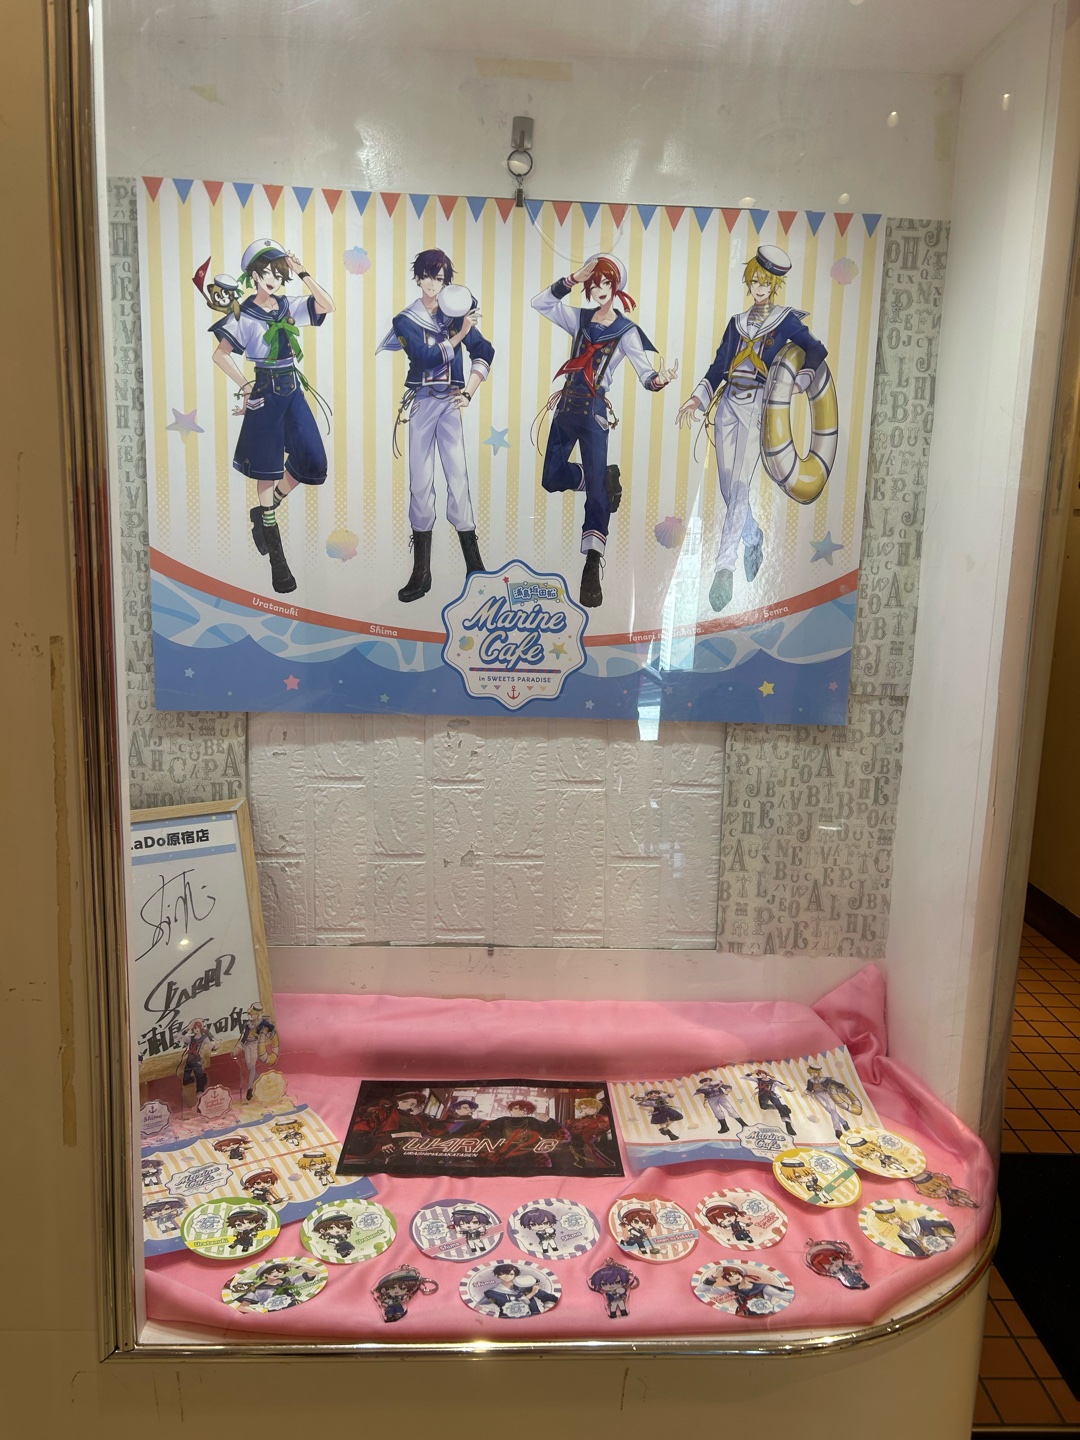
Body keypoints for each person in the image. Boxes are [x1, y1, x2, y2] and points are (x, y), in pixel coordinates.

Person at [676, 245, 827, 613]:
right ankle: (754, 536)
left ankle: (723, 568)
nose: (758, 288)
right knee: (728, 488)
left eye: (764, 282)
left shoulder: (784, 320)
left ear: (774, 285)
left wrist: (802, 378)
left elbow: (815, 348)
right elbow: (718, 366)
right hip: (728, 403)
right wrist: (696, 399)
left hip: (759, 404)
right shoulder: (737, 322)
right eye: (754, 281)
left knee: (741, 486)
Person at [532, 254, 677, 607]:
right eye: (594, 283)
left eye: (605, 283)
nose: (599, 289)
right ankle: (599, 477)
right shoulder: (579, 319)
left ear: (616, 287)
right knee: (551, 478)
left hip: (594, 412)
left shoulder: (626, 331)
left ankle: (592, 564)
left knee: (596, 496)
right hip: (567, 406)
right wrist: (572, 278)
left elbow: (645, 374)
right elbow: (541, 303)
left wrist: (659, 380)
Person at [209, 238, 334, 595]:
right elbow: (220, 354)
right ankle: (278, 560)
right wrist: (245, 384)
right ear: (252, 275)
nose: (272, 279)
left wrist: (303, 273)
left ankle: (264, 512)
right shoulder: (244, 314)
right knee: (267, 469)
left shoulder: (287, 305)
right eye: (265, 272)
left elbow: (327, 305)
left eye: (278, 273)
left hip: (292, 388)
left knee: (313, 460)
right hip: (264, 389)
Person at [377, 249, 494, 602]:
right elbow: (423, 357)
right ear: (418, 278)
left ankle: (475, 569)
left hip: (450, 403)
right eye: (427, 276)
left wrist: (470, 391)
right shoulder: (406, 319)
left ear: (446, 283)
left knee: (459, 479)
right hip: (423, 403)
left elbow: (485, 350)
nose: (432, 284)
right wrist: (460, 335)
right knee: (421, 483)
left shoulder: (455, 314)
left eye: (439, 278)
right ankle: (421, 573)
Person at [234, 1003, 277, 1101]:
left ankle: (250, 1088)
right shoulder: (248, 1024)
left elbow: (271, 1030)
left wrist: (261, 1035)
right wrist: (237, 1048)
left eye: (253, 1014)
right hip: (247, 1045)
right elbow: (243, 1037)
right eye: (250, 1014)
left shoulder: (264, 1023)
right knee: (250, 1067)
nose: (251, 1016)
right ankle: (261, 1082)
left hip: (255, 1045)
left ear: (258, 1014)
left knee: (252, 1066)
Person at [481, 1263, 557, 1317]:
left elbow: (551, 1298)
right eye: (503, 1274)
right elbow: (480, 1307)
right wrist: (532, 1293)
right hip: (508, 1323)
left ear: (515, 1275)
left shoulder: (526, 1287)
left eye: (511, 1274)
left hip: (535, 1320)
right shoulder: (492, 1293)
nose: (507, 1276)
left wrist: (547, 1308)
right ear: (498, 1276)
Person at [742, 1067, 797, 1137]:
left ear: (766, 1073)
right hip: (762, 1095)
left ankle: (789, 1126)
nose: (761, 1075)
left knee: (780, 1108)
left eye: (762, 1073)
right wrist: (752, 1073)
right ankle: (783, 1107)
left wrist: (789, 1089)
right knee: (763, 1107)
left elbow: (782, 1085)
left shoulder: (773, 1081)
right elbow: (744, 1077)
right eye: (759, 1074)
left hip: (771, 1094)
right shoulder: (758, 1080)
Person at [372, 1265, 438, 1323]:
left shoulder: (402, 1299)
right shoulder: (387, 1298)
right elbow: (385, 1302)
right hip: (390, 1309)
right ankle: (390, 1315)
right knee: (390, 1312)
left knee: (398, 1310)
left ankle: (394, 1315)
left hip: (398, 1308)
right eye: (393, 1287)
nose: (398, 1290)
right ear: (384, 1289)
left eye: (403, 1288)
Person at [804, 1238, 868, 1290]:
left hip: (854, 1275)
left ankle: (863, 1283)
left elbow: (851, 1267)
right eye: (828, 1265)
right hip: (847, 1280)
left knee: (858, 1278)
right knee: (850, 1282)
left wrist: (856, 1267)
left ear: (840, 1256)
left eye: (835, 1259)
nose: (835, 1264)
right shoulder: (836, 1274)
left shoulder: (845, 1266)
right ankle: (856, 1285)